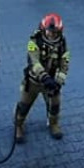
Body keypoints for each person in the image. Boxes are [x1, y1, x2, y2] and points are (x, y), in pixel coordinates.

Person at [14, 14, 71, 143]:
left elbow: (64, 64)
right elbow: (34, 61)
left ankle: (53, 124)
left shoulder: (62, 44)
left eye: (54, 32)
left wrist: (58, 82)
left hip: (52, 83)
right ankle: (18, 126)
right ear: (43, 29)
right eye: (49, 31)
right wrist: (44, 77)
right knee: (23, 105)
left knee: (55, 105)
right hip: (33, 82)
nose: (51, 34)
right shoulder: (34, 42)